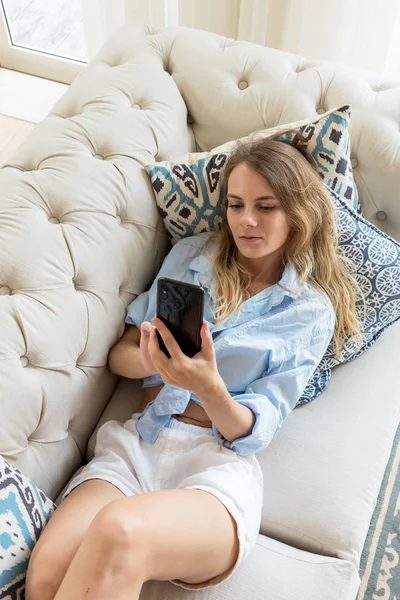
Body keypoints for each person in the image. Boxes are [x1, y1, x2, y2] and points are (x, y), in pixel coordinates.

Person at [25, 138, 364, 600]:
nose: (246, 221)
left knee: (119, 530)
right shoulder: (193, 254)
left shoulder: (309, 310)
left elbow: (253, 428)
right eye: (236, 204)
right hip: (138, 446)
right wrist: (153, 361)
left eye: (266, 207)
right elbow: (120, 354)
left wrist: (208, 388)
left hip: (215, 466)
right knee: (44, 580)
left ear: (296, 213)